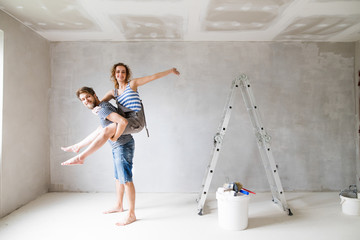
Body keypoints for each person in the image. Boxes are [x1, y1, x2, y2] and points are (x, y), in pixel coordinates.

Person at [61, 64, 180, 165]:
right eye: (118, 72)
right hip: (125, 120)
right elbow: (100, 104)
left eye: (123, 72)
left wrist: (170, 71)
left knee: (107, 130)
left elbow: (152, 77)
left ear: (126, 74)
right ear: (114, 74)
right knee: (101, 128)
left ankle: (81, 157)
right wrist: (94, 110)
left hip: (136, 121)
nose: (120, 74)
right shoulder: (114, 93)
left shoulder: (132, 84)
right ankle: (78, 146)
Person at [62, 86, 136, 226]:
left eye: (88, 97)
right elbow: (100, 129)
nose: (86, 100)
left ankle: (131, 214)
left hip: (123, 146)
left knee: (126, 179)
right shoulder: (101, 108)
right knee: (118, 178)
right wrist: (79, 145)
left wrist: (115, 138)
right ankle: (119, 205)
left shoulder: (103, 108)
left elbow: (123, 122)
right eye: (83, 99)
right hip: (117, 147)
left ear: (95, 95)